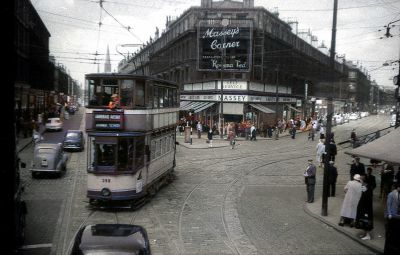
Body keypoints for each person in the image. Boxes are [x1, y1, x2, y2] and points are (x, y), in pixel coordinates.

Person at [355, 171, 375, 240]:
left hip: (365, 208)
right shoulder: (366, 186)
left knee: (365, 220)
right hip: (365, 207)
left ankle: (367, 235)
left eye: (360, 179)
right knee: (364, 220)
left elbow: (365, 197)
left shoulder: (365, 187)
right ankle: (365, 234)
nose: (359, 180)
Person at [384, 183, 400, 254]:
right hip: (391, 217)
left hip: (397, 217)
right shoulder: (391, 194)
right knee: (389, 232)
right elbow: (388, 204)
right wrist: (389, 214)